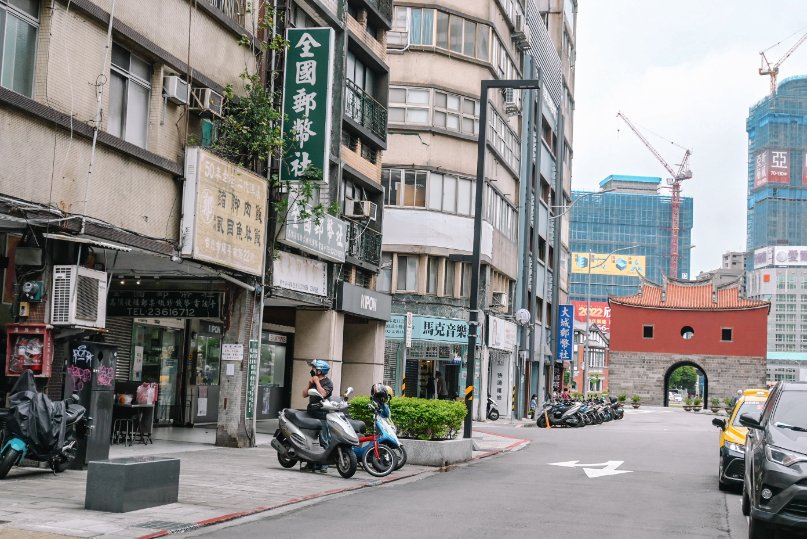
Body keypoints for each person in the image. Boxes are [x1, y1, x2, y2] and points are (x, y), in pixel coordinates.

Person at [301, 359, 333, 472]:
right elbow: (304, 394)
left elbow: (323, 394)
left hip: (321, 414)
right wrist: (310, 383)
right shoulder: (313, 381)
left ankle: (325, 463)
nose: (312, 370)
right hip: (311, 413)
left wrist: (317, 382)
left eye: (314, 368)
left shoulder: (328, 382)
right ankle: (311, 462)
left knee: (324, 439)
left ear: (320, 370)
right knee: (309, 439)